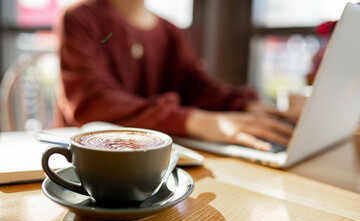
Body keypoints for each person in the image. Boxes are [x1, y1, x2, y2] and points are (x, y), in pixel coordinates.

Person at [55, 0, 295, 151]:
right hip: (83, 162)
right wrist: (198, 121)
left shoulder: (170, 30)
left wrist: (242, 106)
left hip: (157, 161)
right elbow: (93, 105)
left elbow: (199, 88)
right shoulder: (80, 18)